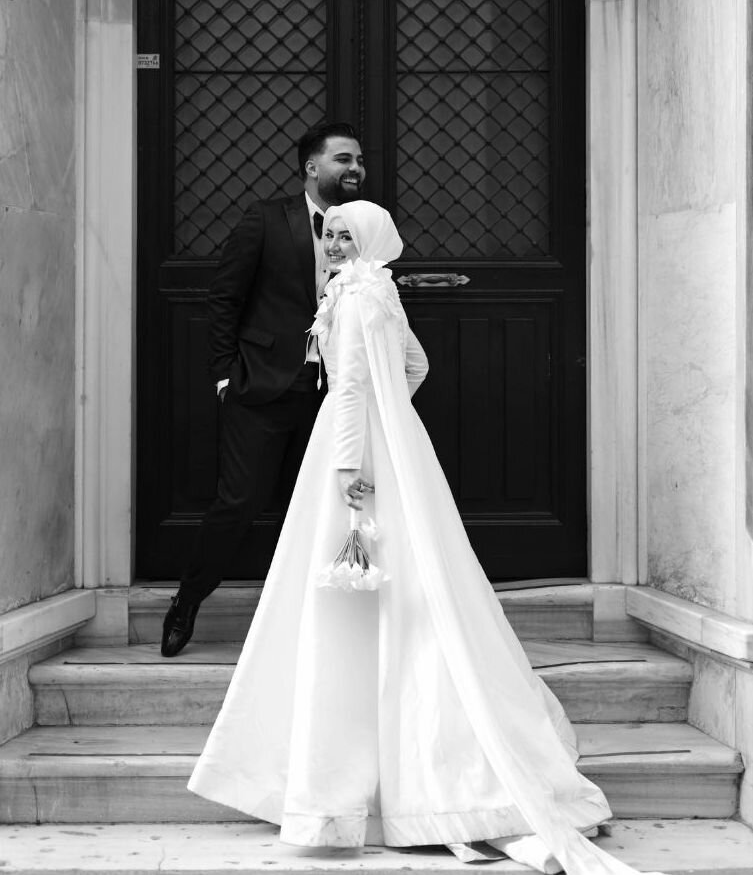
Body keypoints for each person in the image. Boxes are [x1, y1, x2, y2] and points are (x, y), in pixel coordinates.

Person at [187, 202, 664, 875]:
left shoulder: (353, 295)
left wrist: (351, 463)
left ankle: (348, 778)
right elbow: (415, 365)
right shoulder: (376, 287)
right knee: (417, 578)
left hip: (350, 450)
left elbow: (350, 386)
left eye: (345, 236)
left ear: (371, 241)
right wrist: (395, 422)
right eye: (330, 234)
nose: (333, 243)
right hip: (393, 443)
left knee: (351, 595)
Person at [160, 122, 365, 658]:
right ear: (311, 168)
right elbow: (224, 296)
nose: (355, 169)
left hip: (334, 393)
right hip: (264, 386)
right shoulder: (266, 219)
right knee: (239, 501)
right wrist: (226, 375)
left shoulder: (365, 226)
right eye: (343, 159)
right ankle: (188, 600)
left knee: (327, 506)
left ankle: (317, 627)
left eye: (358, 161)